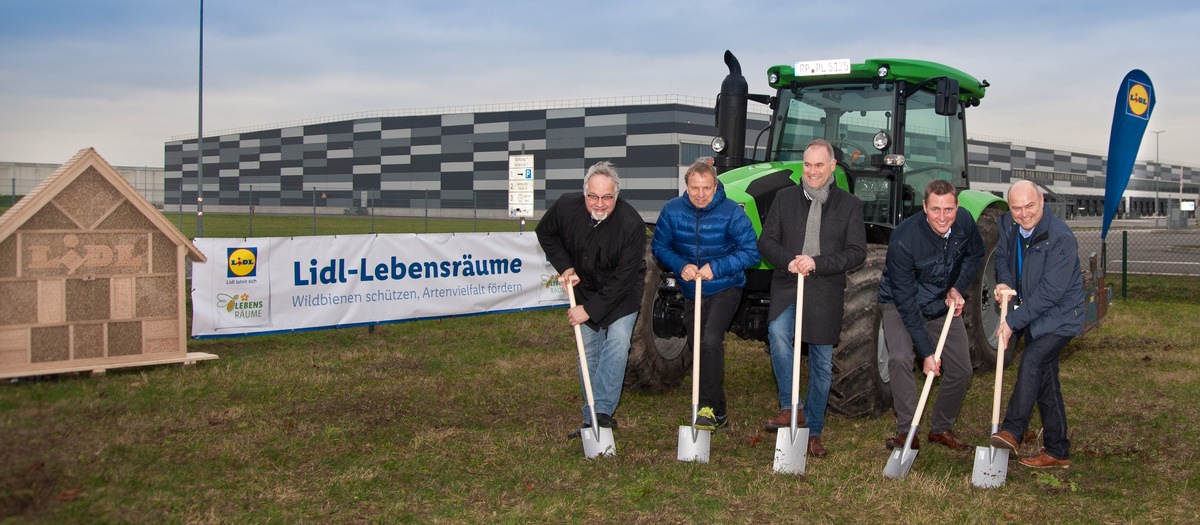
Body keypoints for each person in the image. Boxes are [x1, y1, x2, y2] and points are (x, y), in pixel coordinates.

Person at [758, 139, 866, 457]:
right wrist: (788, 260)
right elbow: (766, 241)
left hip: (825, 289)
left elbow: (857, 253)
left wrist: (817, 262)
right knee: (778, 333)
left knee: (821, 364)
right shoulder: (784, 199)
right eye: (807, 165)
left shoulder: (849, 205)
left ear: (832, 166)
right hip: (788, 283)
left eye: (819, 165)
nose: (812, 171)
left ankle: (814, 432)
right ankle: (792, 408)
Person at [536, 160, 647, 436]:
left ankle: (602, 412)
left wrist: (589, 310)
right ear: (584, 193)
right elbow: (545, 233)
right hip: (584, 287)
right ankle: (591, 418)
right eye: (593, 196)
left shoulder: (631, 224)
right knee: (588, 353)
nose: (600, 204)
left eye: (607, 197)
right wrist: (565, 266)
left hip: (623, 292)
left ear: (616, 196)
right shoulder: (565, 207)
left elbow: (623, 279)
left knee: (618, 343)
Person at [652, 160, 760, 431]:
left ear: (716, 186)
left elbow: (751, 252)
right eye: (694, 188)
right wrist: (680, 266)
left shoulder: (731, 213)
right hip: (692, 289)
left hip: (726, 285)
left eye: (706, 188)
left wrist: (716, 267)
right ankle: (719, 412)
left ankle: (707, 407)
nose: (700, 194)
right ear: (686, 187)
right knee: (697, 343)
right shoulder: (672, 211)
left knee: (711, 339)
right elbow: (660, 246)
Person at [878, 180, 985, 452]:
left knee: (962, 369)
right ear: (924, 207)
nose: (942, 217)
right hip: (900, 304)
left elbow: (976, 255)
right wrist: (926, 353)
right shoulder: (904, 238)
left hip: (940, 302)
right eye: (935, 210)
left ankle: (940, 428)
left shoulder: (964, 223)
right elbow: (906, 301)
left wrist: (957, 287)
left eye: (948, 209)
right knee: (901, 357)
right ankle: (908, 432)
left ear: (957, 207)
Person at [988, 180, 1085, 468]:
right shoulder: (1007, 223)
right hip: (1034, 313)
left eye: (1029, 206)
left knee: (1031, 360)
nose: (1024, 213)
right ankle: (1057, 450)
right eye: (1017, 208)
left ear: (1041, 201)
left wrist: (1012, 322)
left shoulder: (1061, 238)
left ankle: (1012, 431)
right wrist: (1004, 281)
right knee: (1045, 380)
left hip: (1061, 317)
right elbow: (1003, 257)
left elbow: (1051, 292)